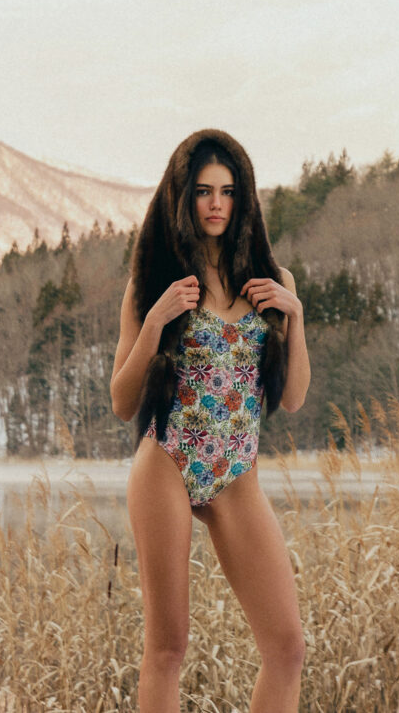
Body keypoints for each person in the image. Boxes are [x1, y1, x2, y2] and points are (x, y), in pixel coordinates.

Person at [110, 128, 311, 712]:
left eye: (227, 191)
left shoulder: (272, 283)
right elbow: (122, 401)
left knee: (287, 648)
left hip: (236, 471)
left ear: (243, 197)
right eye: (203, 191)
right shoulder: (153, 283)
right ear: (183, 197)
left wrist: (296, 316)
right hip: (167, 462)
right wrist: (155, 322)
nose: (216, 204)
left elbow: (293, 398)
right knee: (167, 649)